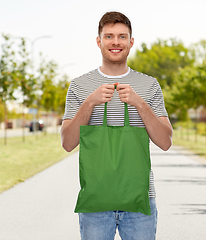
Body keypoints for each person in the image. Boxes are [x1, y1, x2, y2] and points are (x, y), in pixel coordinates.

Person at [60, 11, 173, 240]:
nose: (115, 42)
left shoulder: (148, 85)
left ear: (131, 42)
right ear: (98, 41)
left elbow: (165, 142)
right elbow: (67, 143)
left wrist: (139, 103)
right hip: (95, 202)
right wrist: (90, 102)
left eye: (122, 37)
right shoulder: (80, 86)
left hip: (140, 199)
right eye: (109, 36)